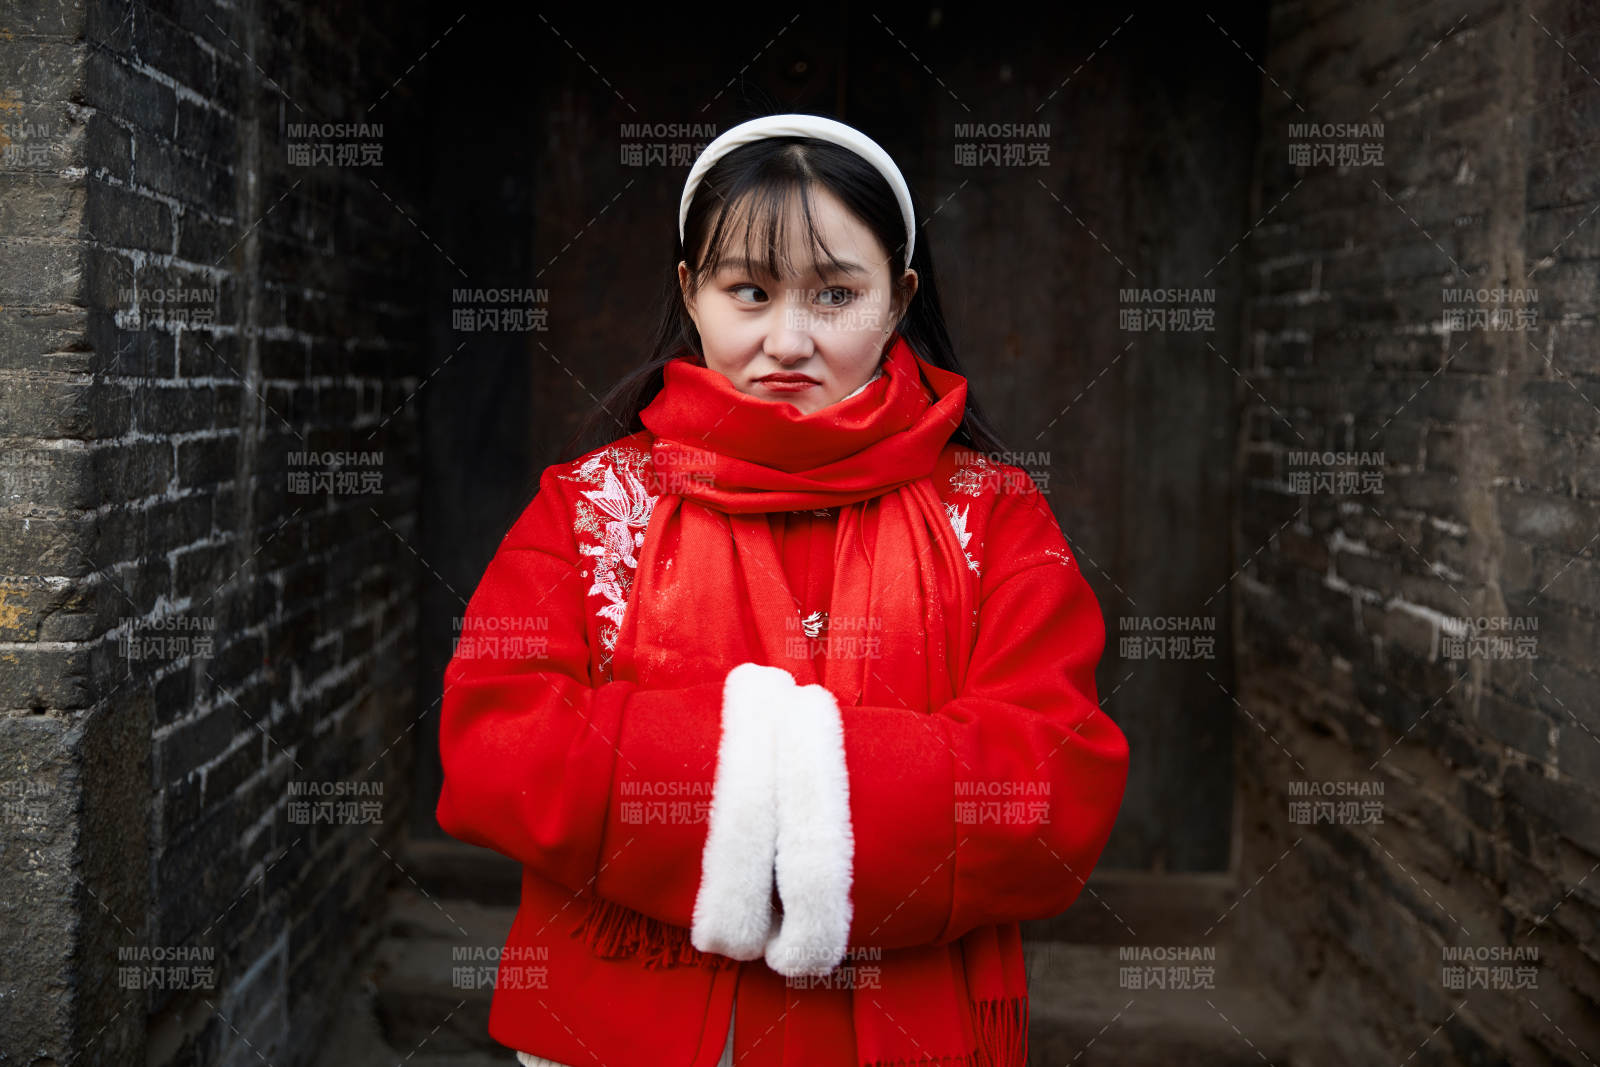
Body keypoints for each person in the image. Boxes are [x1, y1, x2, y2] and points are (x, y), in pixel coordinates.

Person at [435, 112, 1131, 1067]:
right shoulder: (594, 505)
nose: (788, 340)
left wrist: (779, 785)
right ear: (692, 291)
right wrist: (782, 789)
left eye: (836, 294)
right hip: (629, 1029)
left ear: (899, 298)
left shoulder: (994, 516)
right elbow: (497, 735)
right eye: (749, 291)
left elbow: (1053, 780)